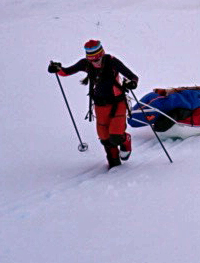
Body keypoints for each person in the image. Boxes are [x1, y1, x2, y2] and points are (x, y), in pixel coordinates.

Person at [48, 39, 139, 168]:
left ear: (102, 54)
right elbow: (66, 72)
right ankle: (113, 162)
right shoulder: (85, 64)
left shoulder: (111, 61)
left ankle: (126, 140)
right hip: (99, 104)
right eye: (92, 60)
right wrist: (57, 69)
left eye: (98, 59)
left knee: (116, 136)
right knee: (104, 138)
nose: (96, 63)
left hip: (117, 103)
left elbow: (133, 76)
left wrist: (132, 83)